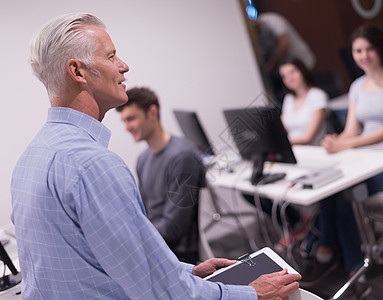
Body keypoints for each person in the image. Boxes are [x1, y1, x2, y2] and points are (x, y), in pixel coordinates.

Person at [10, 13, 301, 299]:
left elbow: (94, 260)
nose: (124, 66)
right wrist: (251, 294)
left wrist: (181, 271)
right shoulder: (93, 165)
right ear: (78, 72)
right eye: (111, 57)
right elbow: (162, 292)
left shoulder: (30, 159)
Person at [301, 24, 383, 296]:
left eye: (368, 48)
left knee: (342, 195)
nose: (363, 55)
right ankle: (336, 254)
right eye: (358, 50)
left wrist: (346, 143)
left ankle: (345, 263)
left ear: (380, 49)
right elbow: (351, 130)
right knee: (328, 188)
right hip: (365, 160)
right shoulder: (356, 86)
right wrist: (336, 140)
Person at [243, 58, 328, 250]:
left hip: (313, 157)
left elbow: (308, 137)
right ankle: (295, 225)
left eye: (292, 72)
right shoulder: (289, 100)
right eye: (284, 76)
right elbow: (278, 130)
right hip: (291, 158)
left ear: (302, 71)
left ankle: (314, 232)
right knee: (254, 189)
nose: (289, 78)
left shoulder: (317, 96)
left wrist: (281, 142)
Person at [116, 86, 204, 264]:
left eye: (131, 119)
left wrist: (134, 239)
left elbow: (174, 227)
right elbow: (143, 212)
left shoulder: (182, 156)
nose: (127, 128)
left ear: (153, 112)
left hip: (179, 254)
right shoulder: (143, 159)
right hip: (157, 244)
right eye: (124, 121)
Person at [255, 12, 316, 106]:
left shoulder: (271, 20)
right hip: (282, 68)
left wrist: (270, 66)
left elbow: (284, 44)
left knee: (308, 97)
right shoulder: (289, 100)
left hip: (300, 61)